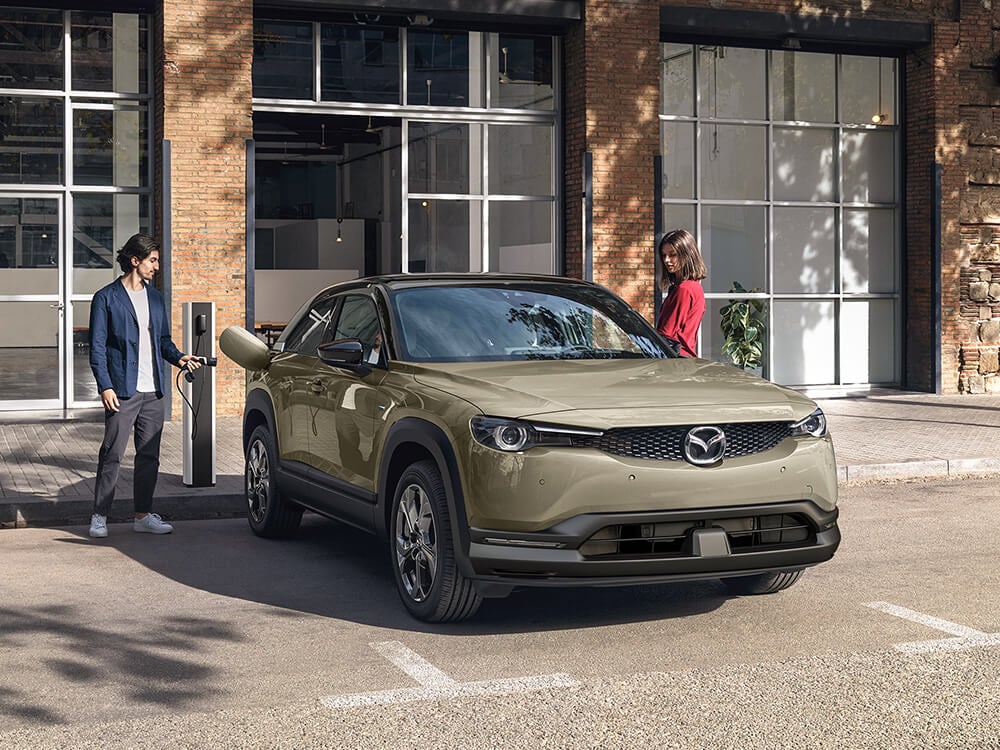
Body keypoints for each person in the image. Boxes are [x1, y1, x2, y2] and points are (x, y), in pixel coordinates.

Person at [87, 233, 202, 538]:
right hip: (122, 390)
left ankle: (142, 515)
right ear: (135, 261)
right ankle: (100, 515)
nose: (156, 267)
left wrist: (178, 358)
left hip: (153, 391)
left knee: (149, 456)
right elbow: (97, 347)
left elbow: (162, 340)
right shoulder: (106, 298)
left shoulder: (155, 297)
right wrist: (105, 386)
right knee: (111, 453)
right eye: (152, 261)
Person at [655, 228, 707, 357]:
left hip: (674, 362)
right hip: (682, 361)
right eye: (664, 255)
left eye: (672, 254)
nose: (666, 260)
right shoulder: (694, 287)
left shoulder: (684, 290)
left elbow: (665, 335)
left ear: (686, 255)